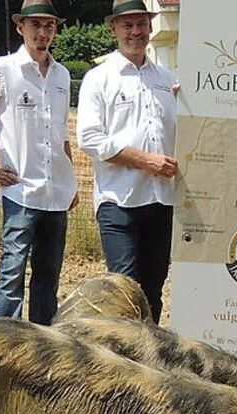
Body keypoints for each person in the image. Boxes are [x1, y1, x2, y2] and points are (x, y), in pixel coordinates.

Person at [0, 0, 78, 327]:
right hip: (21, 192)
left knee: (48, 276)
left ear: (55, 29)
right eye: (35, 25)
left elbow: (60, 131)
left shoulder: (62, 75)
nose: (43, 32)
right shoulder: (1, 71)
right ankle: (4, 348)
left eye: (49, 25)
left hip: (56, 194)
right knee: (12, 272)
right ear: (20, 27)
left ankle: (40, 346)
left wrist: (71, 181)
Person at [77, 0, 177, 324]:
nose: (135, 32)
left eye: (141, 24)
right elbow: (89, 138)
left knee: (154, 289)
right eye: (127, 25)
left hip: (162, 199)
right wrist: (145, 160)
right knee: (124, 291)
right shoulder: (99, 78)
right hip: (118, 201)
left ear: (150, 27)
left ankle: (149, 364)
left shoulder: (168, 80)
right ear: (113, 29)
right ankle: (124, 363)